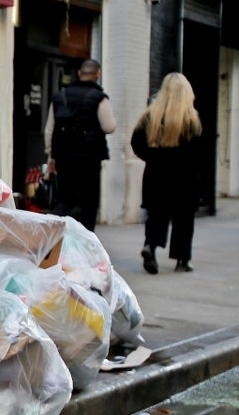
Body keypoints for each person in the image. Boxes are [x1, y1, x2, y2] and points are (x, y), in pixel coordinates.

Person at [131, 73, 204, 274]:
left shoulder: (150, 115)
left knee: (157, 214)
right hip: (185, 177)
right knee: (184, 219)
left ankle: (150, 246)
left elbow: (136, 143)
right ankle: (182, 259)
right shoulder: (191, 119)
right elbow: (198, 152)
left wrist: (153, 157)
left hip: (157, 174)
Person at [44, 59, 117, 232]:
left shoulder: (59, 96)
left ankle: (48, 233)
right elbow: (109, 126)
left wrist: (50, 155)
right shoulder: (100, 98)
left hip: (64, 157)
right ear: (97, 75)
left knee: (65, 200)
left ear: (79, 74)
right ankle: (87, 243)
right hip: (89, 158)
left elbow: (49, 129)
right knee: (89, 203)